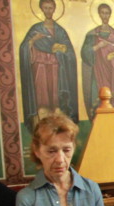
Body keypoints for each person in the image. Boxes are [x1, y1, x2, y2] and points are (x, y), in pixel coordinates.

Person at [19, 0, 78, 134]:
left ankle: (59, 129)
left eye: (50, 8)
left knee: (56, 100)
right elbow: (24, 47)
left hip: (56, 67)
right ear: (41, 9)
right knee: (42, 99)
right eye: (45, 8)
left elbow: (70, 52)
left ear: (54, 9)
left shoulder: (60, 31)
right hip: (39, 66)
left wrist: (61, 50)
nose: (48, 11)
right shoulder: (35, 29)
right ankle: (42, 131)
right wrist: (34, 40)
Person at [81, 3, 114, 132]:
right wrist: (98, 46)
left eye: (107, 13)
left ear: (110, 15)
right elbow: (85, 53)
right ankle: (99, 126)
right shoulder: (92, 35)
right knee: (100, 96)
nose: (105, 16)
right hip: (98, 72)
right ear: (99, 14)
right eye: (103, 13)